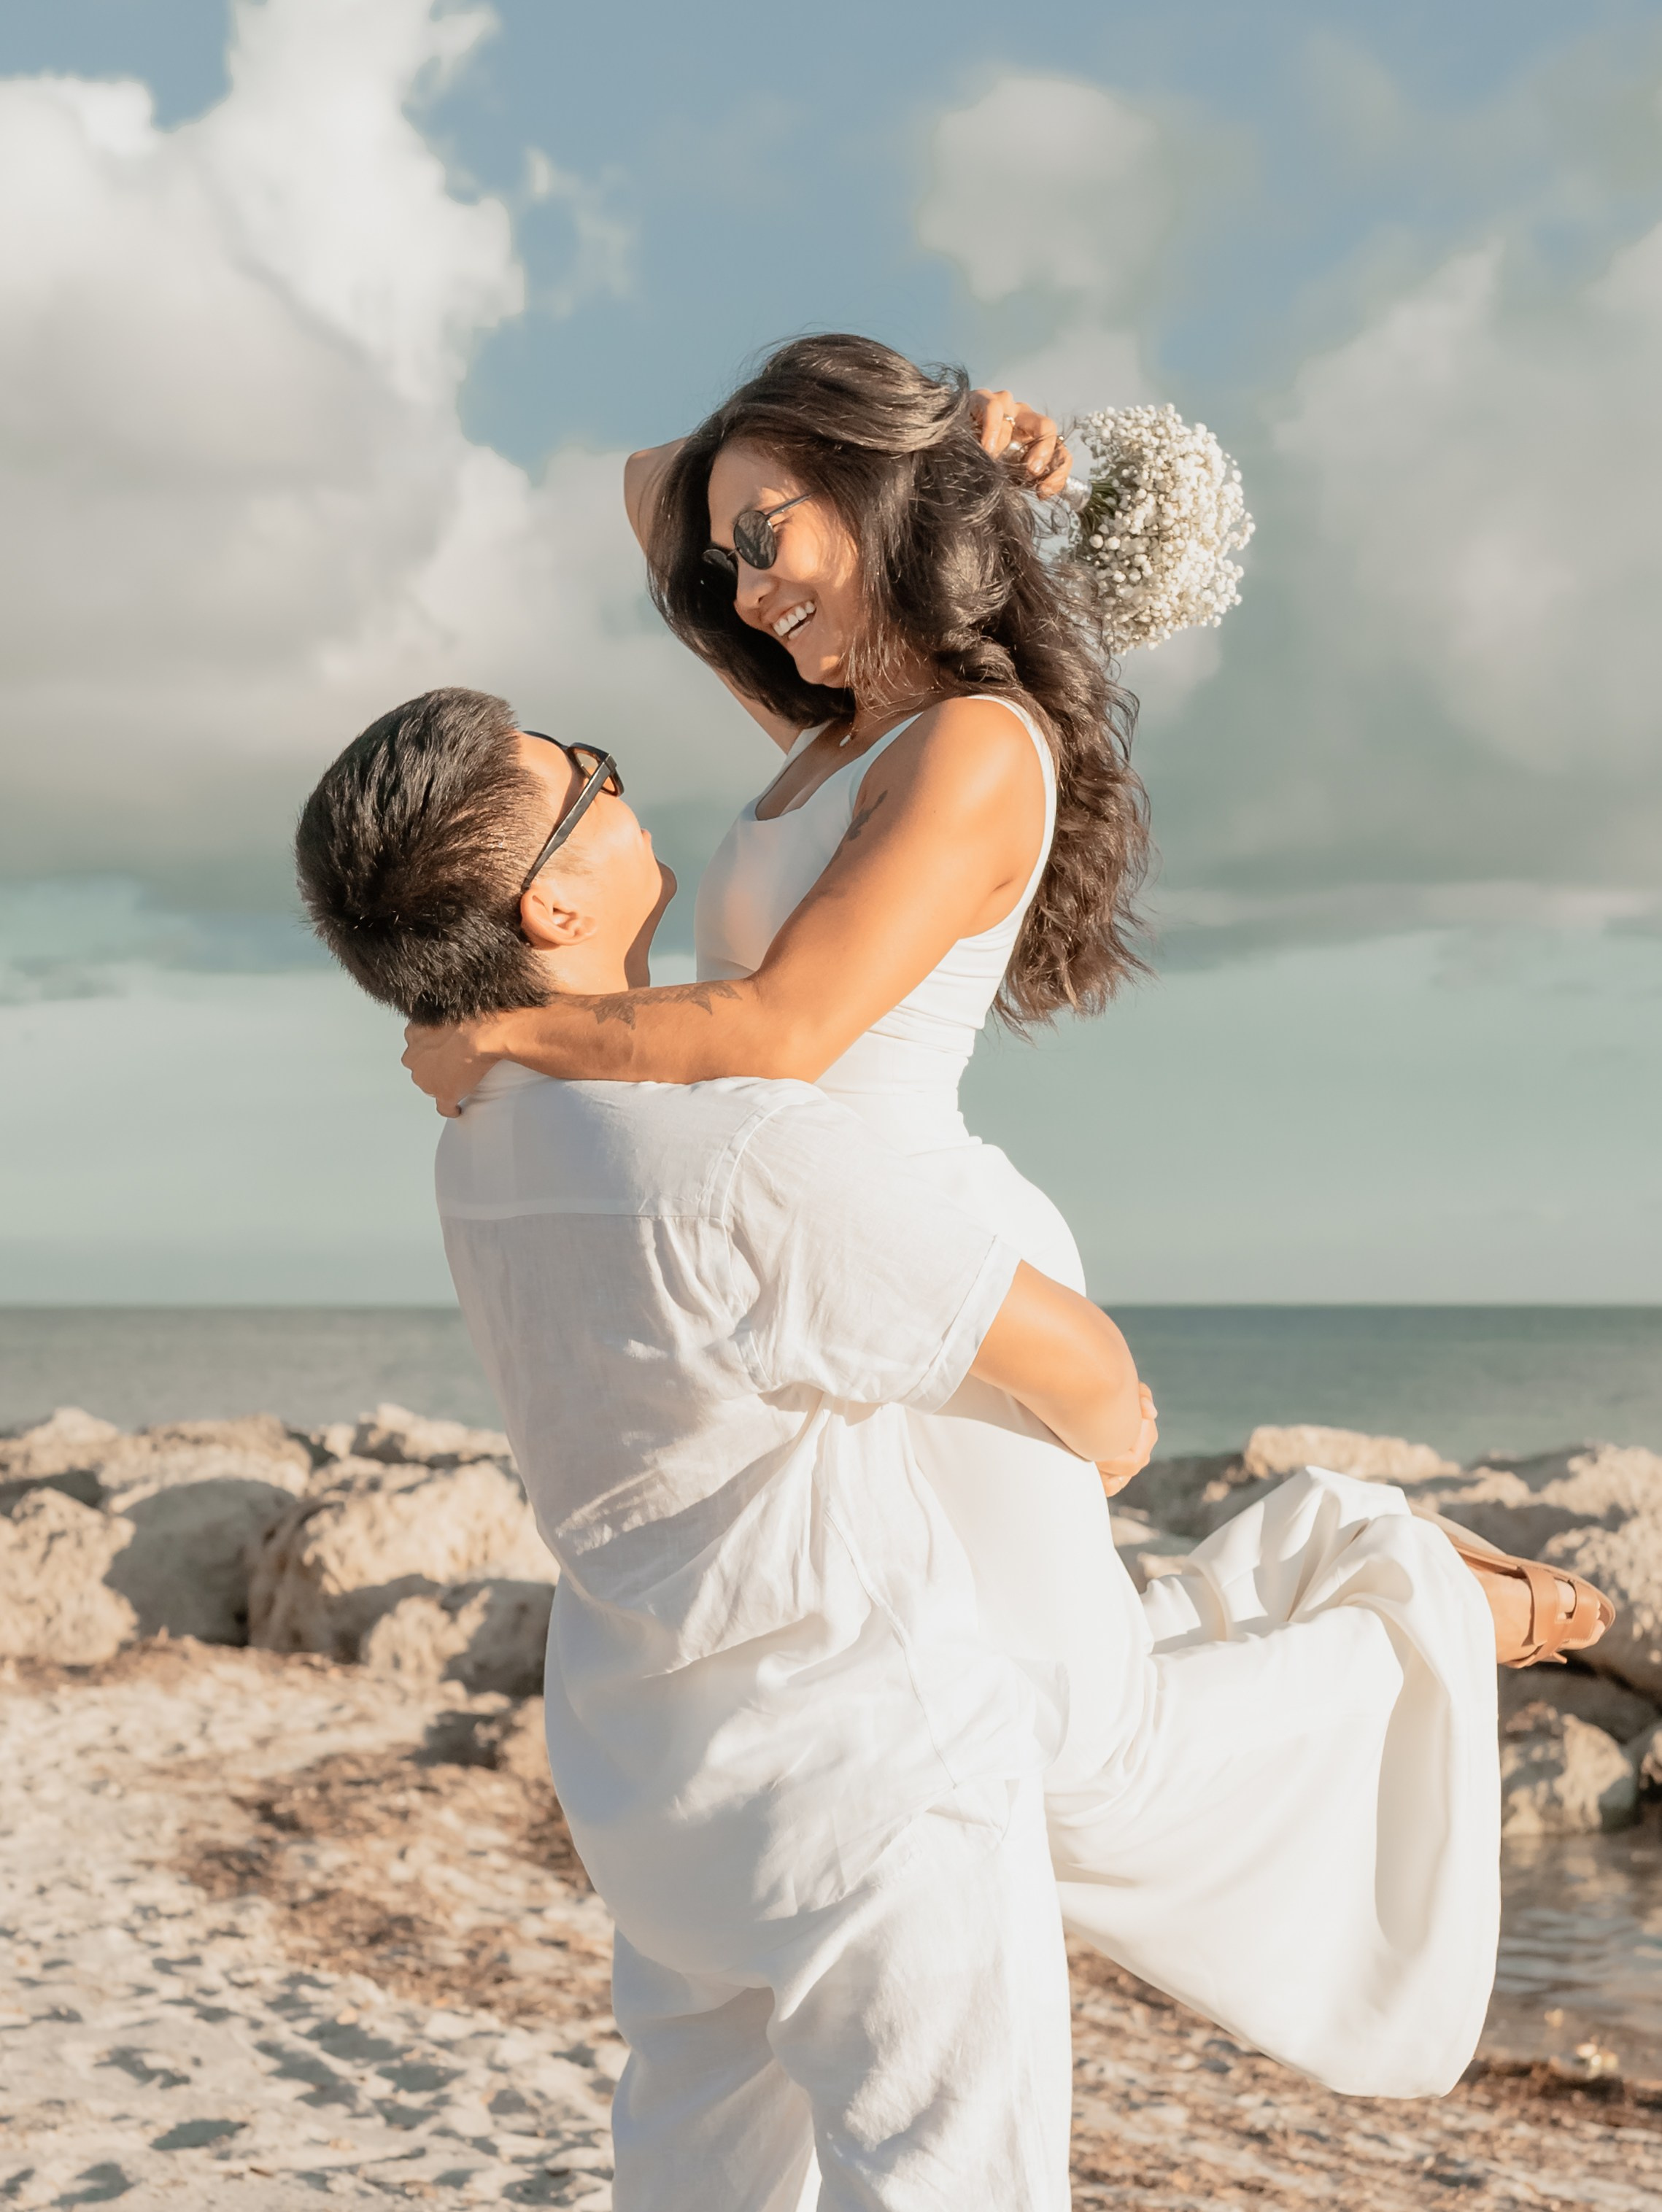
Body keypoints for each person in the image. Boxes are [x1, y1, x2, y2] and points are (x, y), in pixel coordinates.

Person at [396, 337, 1612, 2093]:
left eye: (773, 536)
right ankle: (1338, 1560)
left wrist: (505, 1022)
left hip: (921, 1258)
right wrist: (924, 437)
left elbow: (779, 1030)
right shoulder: (832, 727)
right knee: (960, 1715)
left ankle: (1414, 1600)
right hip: (799, 1273)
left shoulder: (969, 744)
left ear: (871, 499)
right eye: (729, 557)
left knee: (1074, 1766)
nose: (740, 584)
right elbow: (646, 479)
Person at [295, 686, 1162, 2212]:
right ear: (554, 894)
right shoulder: (734, 1153)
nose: (624, 786)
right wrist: (1091, 1464)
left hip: (657, 1789)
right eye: (588, 776)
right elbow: (1094, 1375)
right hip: (866, 1790)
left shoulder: (477, 1138)